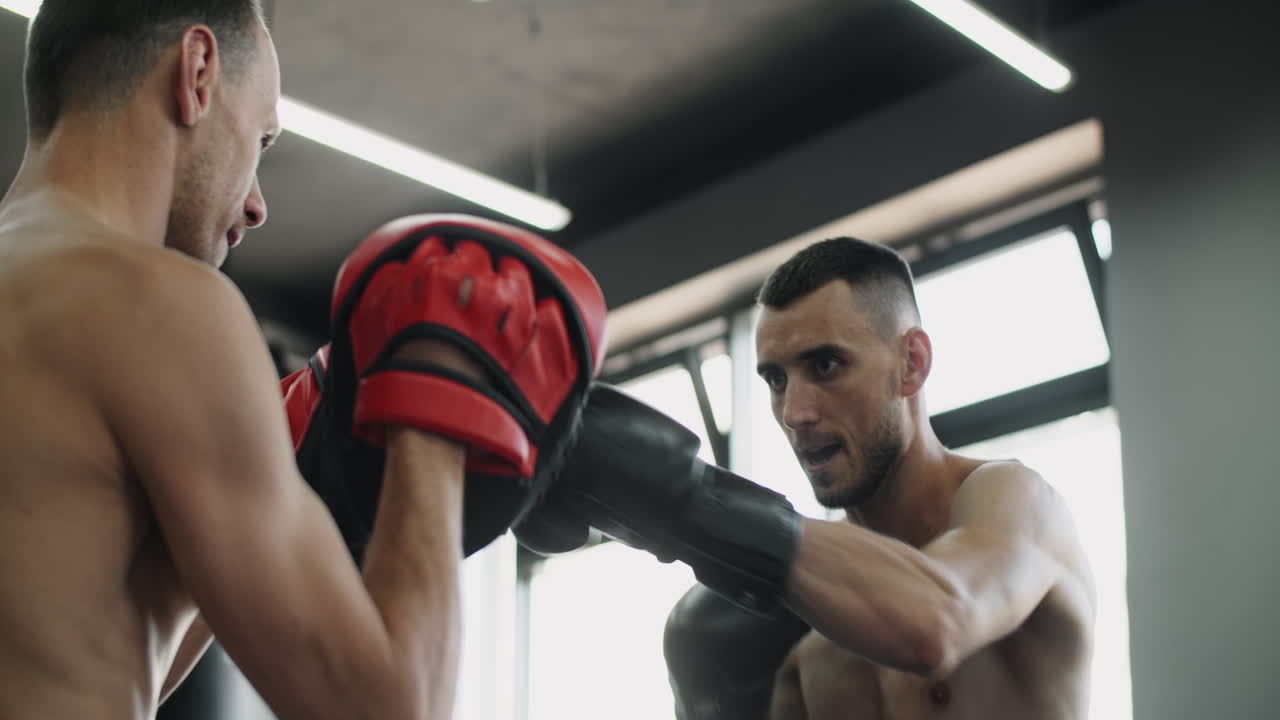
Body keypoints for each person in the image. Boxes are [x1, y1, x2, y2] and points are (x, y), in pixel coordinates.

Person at [0, 3, 606, 720]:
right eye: (260, 138)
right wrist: (443, 391)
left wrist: (285, 468)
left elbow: (80, 652)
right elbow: (387, 710)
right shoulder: (159, 303)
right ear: (197, 73)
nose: (255, 205)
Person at [517, 237, 1097, 719]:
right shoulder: (810, 639)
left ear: (911, 363)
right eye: (775, 380)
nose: (796, 412)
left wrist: (679, 502)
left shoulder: (1017, 502)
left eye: (826, 366)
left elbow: (940, 622)